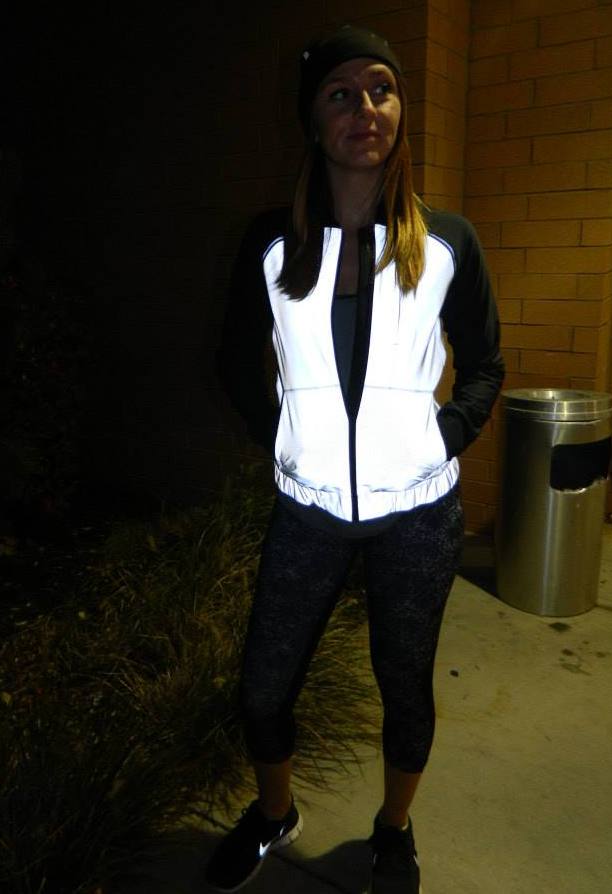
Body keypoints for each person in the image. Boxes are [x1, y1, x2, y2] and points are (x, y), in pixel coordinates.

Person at [208, 24, 504, 894]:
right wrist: (287, 442)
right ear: (312, 118)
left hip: (416, 512)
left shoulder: (446, 242)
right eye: (340, 93)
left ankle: (392, 832)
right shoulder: (271, 243)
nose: (363, 107)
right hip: (307, 511)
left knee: (403, 687)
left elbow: (484, 364)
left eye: (380, 88)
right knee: (263, 689)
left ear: (400, 110)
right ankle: (274, 815)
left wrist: (441, 438)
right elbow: (236, 363)